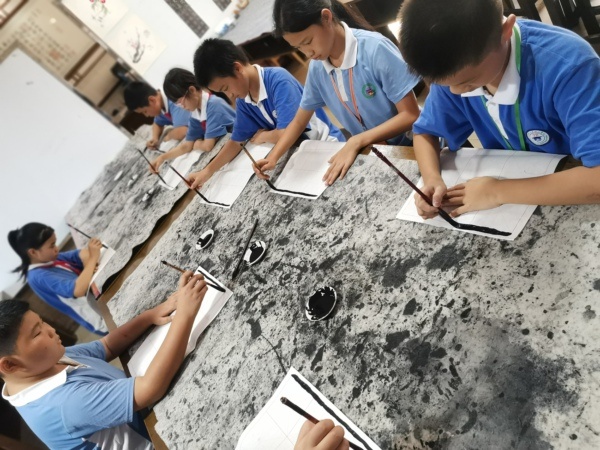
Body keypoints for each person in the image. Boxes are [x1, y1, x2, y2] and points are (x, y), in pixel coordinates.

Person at [398, 0, 600, 219]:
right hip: (516, 183)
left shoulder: (570, 67)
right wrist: (431, 179)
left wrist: (496, 191)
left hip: (573, 186)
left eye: (468, 82)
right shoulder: (451, 67)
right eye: (443, 85)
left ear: (506, 31)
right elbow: (425, 132)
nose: (455, 92)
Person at [0, 271, 207, 450]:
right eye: (37, 333)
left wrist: (150, 316)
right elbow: (150, 389)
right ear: (9, 364)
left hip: (146, 411)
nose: (51, 330)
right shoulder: (63, 405)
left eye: (42, 322)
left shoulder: (45, 363)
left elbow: (107, 346)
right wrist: (185, 314)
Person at [252, 0, 421, 186]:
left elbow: (411, 115)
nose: (307, 53)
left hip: (412, 145)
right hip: (374, 151)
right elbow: (299, 120)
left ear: (326, 17)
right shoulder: (318, 68)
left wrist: (357, 141)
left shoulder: (374, 49)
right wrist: (273, 157)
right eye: (298, 48)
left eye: (307, 41)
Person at [187, 38, 345, 190]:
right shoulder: (244, 99)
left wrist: (264, 136)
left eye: (226, 88)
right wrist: (206, 172)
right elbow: (236, 142)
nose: (230, 96)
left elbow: (288, 132)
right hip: (299, 153)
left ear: (237, 69)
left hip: (326, 146)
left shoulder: (278, 81)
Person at [8, 223, 107, 335]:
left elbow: (82, 253)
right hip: (100, 319)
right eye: (52, 245)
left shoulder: (50, 259)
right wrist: (92, 260)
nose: (57, 248)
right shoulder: (39, 276)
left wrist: (88, 265)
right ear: (33, 252)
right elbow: (78, 290)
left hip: (100, 301)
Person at [149, 68, 236, 173]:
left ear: (192, 90)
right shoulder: (195, 113)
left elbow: (208, 146)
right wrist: (162, 157)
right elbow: (187, 146)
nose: (182, 106)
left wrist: (197, 144)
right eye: (177, 104)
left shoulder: (214, 105)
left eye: (181, 102)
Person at [124, 81, 191, 150]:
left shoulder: (173, 100)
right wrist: (155, 138)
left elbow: (184, 131)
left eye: (145, 111)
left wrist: (169, 136)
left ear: (152, 100)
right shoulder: (160, 104)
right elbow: (157, 123)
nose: (146, 115)